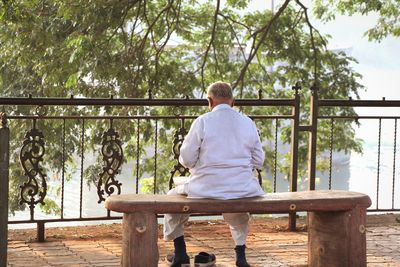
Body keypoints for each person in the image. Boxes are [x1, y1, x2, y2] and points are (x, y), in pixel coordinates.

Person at [164, 81, 265, 267]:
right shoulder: (247, 123)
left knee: (171, 200)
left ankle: (180, 254)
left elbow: (185, 158)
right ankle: (241, 257)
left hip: (205, 188)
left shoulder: (202, 122)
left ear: (209, 101)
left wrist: (199, 167)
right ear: (232, 102)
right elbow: (259, 160)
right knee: (238, 210)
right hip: (241, 187)